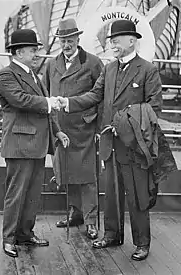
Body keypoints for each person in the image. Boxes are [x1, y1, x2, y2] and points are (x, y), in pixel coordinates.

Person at [56, 19, 172, 261]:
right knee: (111, 193)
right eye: (111, 41)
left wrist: (124, 125)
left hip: (134, 146)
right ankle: (112, 234)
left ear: (132, 41)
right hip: (110, 146)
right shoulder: (109, 70)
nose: (113, 44)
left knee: (138, 196)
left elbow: (154, 108)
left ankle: (142, 243)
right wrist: (68, 103)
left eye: (117, 40)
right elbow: (93, 96)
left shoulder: (148, 70)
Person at [0, 29, 69, 258]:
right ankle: (9, 238)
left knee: (32, 193)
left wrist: (57, 132)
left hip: (37, 144)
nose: (37, 53)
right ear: (19, 52)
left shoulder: (34, 75)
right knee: (16, 193)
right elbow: (21, 100)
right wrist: (48, 101)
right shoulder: (6, 75)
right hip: (20, 144)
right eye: (33, 49)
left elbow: (44, 111)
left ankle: (25, 234)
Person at [42, 18, 104, 240]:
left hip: (84, 129)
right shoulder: (51, 64)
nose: (66, 44)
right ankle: (75, 213)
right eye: (62, 40)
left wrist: (99, 127)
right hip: (61, 129)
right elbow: (44, 96)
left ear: (78, 38)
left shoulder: (93, 63)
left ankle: (91, 220)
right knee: (66, 173)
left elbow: (102, 97)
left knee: (87, 176)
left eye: (70, 40)